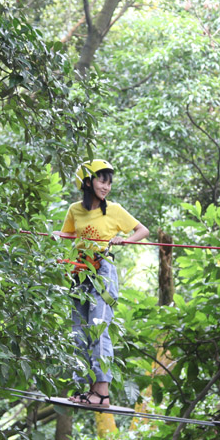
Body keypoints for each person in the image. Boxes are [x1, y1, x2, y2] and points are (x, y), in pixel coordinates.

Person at [54, 159, 149, 408]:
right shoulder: (75, 210)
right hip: (79, 272)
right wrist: (58, 248)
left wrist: (123, 240)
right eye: (101, 181)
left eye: (109, 183)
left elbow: (143, 230)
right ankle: (86, 388)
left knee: (99, 329)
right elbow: (69, 237)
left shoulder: (114, 210)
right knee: (79, 331)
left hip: (102, 271)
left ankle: (102, 392)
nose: (106, 187)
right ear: (88, 182)